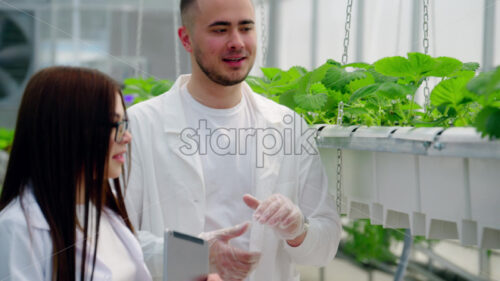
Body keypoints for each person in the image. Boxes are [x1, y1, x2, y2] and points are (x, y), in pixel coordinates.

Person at [125, 0, 342, 280]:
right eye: (220, 30)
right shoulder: (140, 126)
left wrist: (298, 231)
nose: (237, 42)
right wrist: (194, 258)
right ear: (186, 39)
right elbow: (113, 239)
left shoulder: (289, 127)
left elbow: (324, 248)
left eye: (245, 27)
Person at [0, 66, 152, 281]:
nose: (127, 137)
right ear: (68, 130)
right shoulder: (18, 229)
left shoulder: (106, 213)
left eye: (124, 123)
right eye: (115, 124)